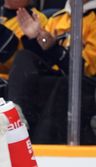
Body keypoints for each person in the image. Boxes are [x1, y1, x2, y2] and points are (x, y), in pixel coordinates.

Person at [7, 2, 96, 144]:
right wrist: (35, 38)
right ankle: (15, 116)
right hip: (60, 80)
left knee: (65, 84)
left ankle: (41, 147)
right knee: (24, 56)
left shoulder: (93, 18)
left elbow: (85, 71)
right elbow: (44, 59)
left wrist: (53, 48)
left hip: (86, 87)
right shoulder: (56, 18)